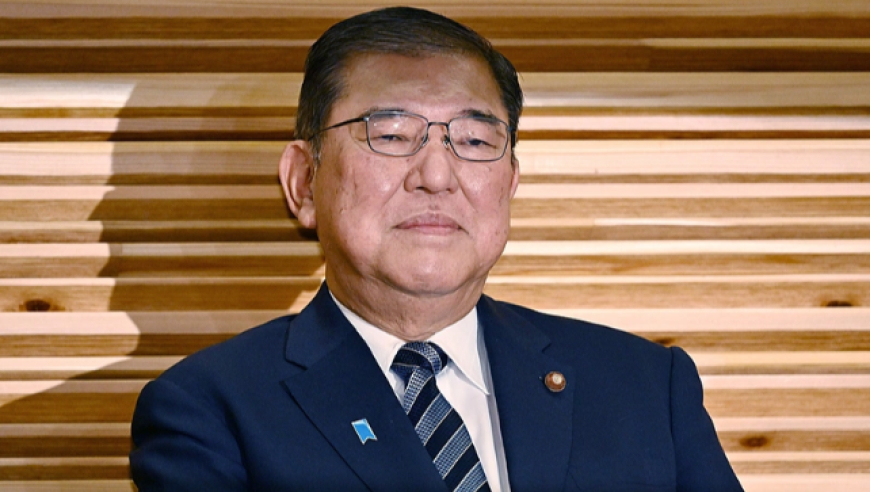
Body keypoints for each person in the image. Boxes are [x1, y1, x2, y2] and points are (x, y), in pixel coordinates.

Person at [130, 6, 743, 492]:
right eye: (392, 134)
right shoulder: (208, 411)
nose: (437, 175)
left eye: (473, 140)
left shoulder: (646, 386)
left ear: (509, 182)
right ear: (304, 182)